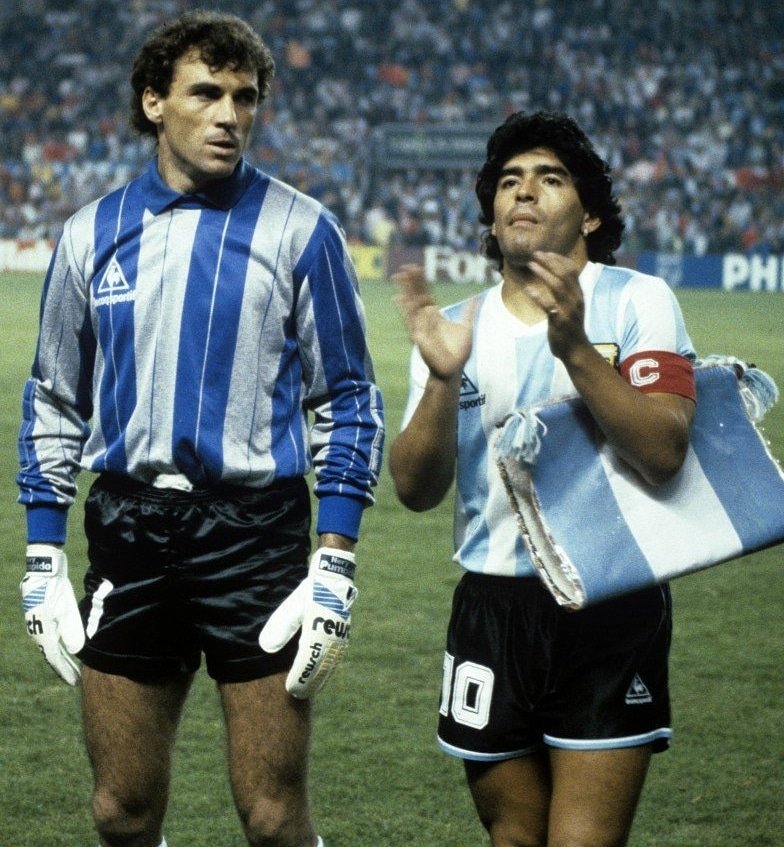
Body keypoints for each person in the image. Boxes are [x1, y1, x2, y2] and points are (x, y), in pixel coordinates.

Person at [17, 11, 384, 847]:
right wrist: (43, 555)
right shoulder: (88, 235)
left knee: (271, 815)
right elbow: (54, 399)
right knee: (120, 810)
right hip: (129, 527)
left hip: (253, 533)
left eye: (245, 98)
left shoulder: (302, 230)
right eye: (206, 94)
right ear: (154, 102)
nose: (230, 115)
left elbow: (350, 399)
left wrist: (335, 560)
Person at [389, 111, 696, 847]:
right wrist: (440, 379)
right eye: (509, 181)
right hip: (490, 606)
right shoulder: (455, 326)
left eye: (549, 178)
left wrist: (576, 351)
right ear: (491, 220)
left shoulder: (637, 299)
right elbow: (414, 487)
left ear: (589, 213)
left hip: (609, 605)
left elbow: (666, 450)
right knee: (513, 838)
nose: (523, 190)